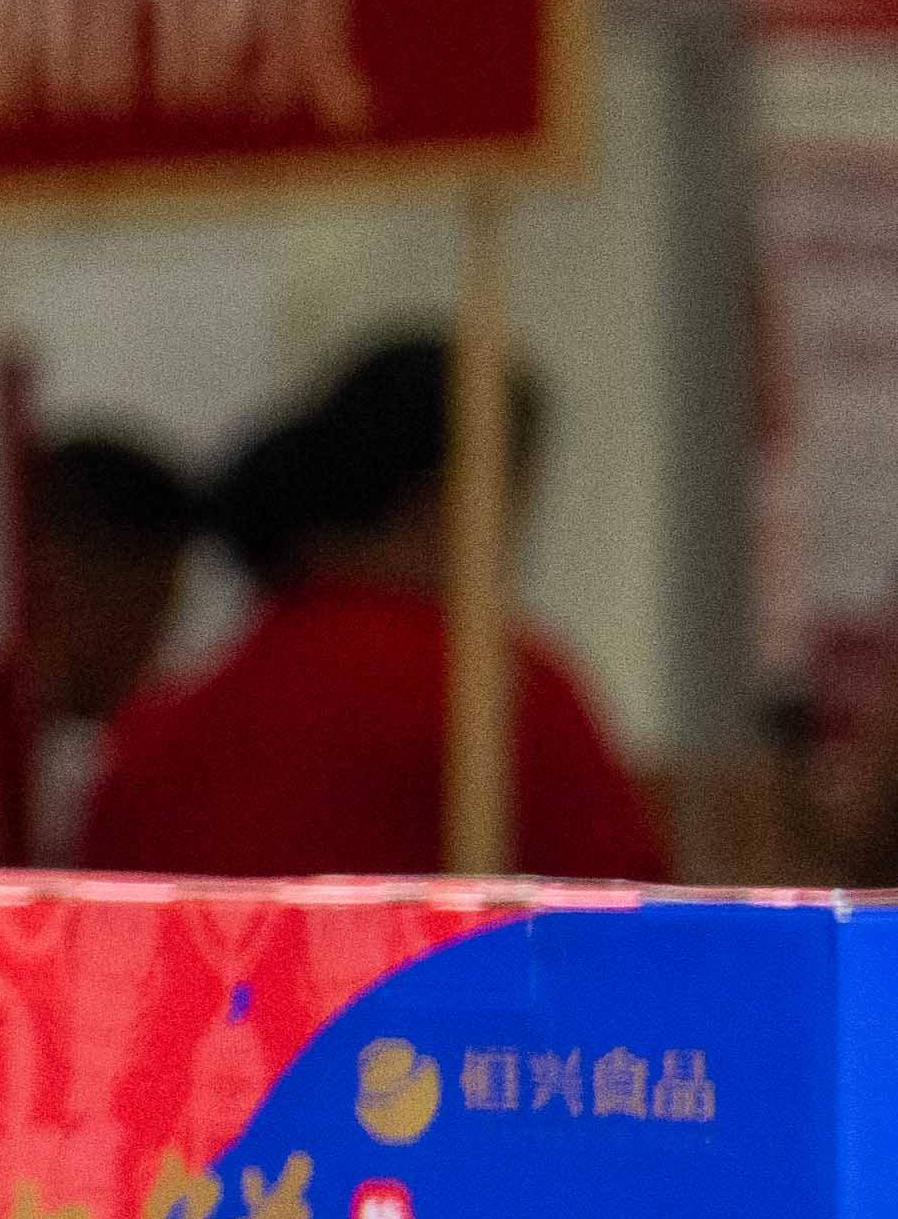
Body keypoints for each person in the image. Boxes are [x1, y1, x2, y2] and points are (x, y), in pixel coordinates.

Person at [85, 333, 674, 882]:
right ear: (447, 499)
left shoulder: (161, 723)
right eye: (515, 505)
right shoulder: (497, 693)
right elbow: (636, 940)